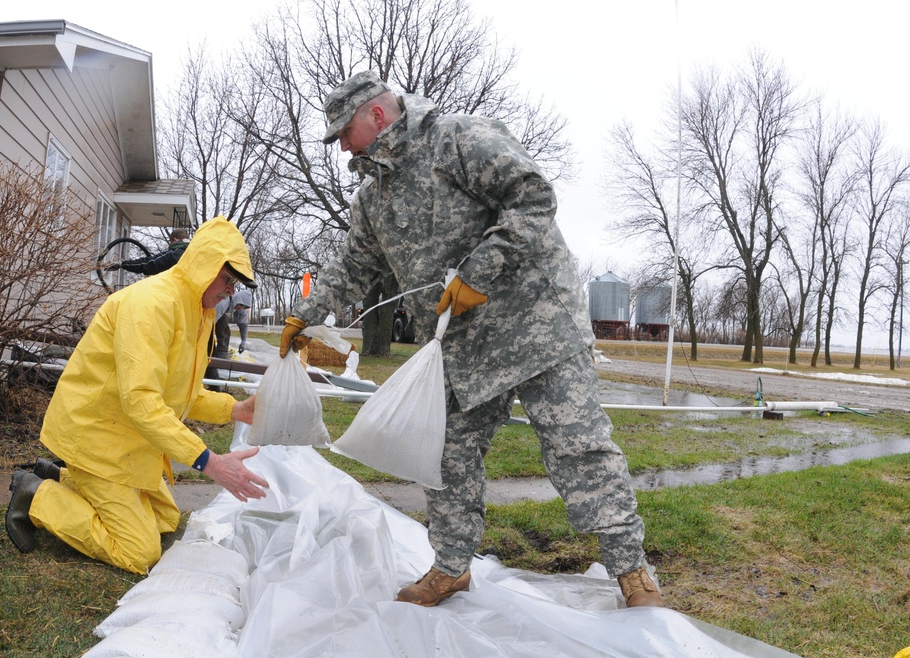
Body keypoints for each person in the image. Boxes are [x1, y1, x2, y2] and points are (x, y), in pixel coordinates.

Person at [279, 71, 663, 608]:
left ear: (376, 115)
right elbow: (354, 264)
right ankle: (451, 567)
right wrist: (304, 314)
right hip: (461, 348)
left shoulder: (458, 138)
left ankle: (632, 571)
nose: (341, 145)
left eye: (343, 132)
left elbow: (532, 197)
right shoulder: (372, 197)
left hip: (537, 329)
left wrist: (480, 269)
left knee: (580, 448)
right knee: (444, 454)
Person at [5, 216, 270, 574]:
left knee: (165, 519)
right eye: (227, 278)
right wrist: (210, 462)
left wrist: (238, 409)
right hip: (96, 437)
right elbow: (142, 401)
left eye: (235, 282)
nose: (230, 289)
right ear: (204, 264)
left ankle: (61, 478)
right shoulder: (151, 305)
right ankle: (37, 494)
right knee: (140, 551)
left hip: (127, 441)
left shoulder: (197, 313)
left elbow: (184, 395)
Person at [111, 227, 191, 276]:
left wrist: (122, 264)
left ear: (175, 240)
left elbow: (148, 263)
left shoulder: (174, 254)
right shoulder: (195, 253)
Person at [231, 288, 253, 352]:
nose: (241, 308)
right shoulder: (224, 301)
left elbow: (243, 324)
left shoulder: (242, 309)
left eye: (243, 307)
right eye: (241, 306)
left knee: (224, 333)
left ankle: (221, 357)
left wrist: (243, 341)